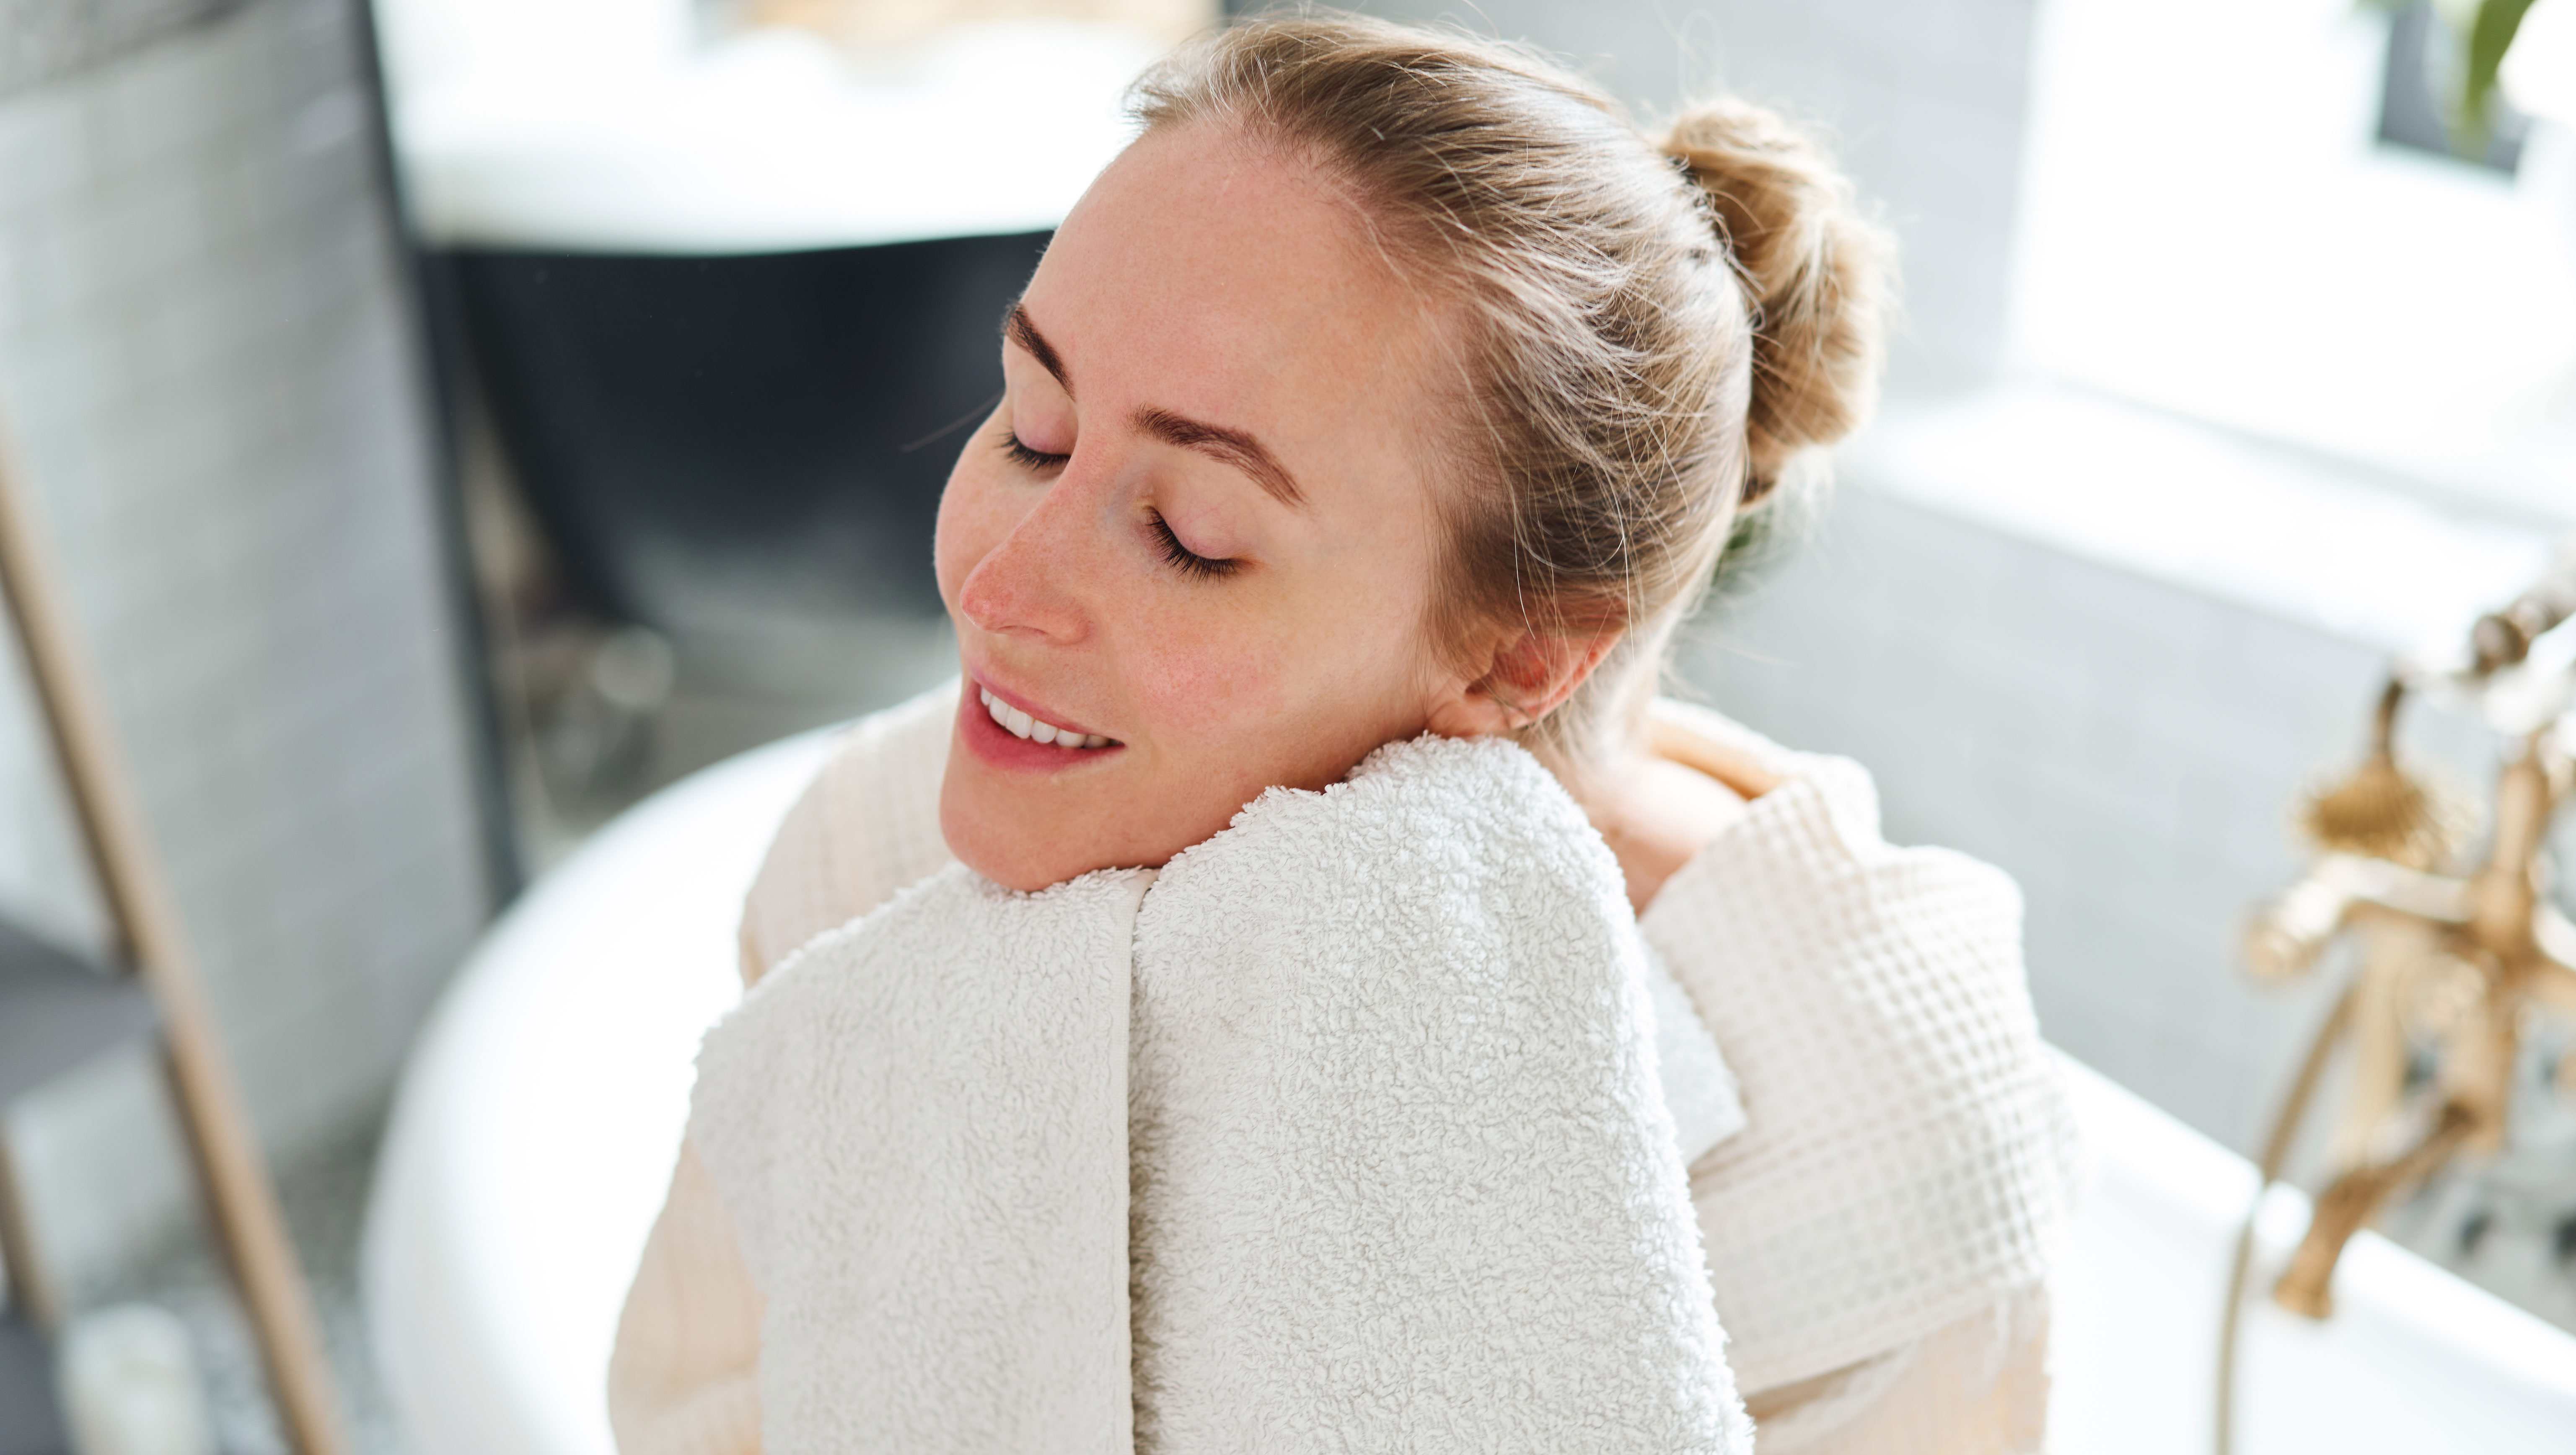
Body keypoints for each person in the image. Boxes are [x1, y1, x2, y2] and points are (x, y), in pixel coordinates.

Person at [610, 12, 2075, 1452]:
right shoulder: (872, 861)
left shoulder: (1867, 1139)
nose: (994, 588)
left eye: (1188, 536)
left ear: (1519, 655)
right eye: (1030, 429)